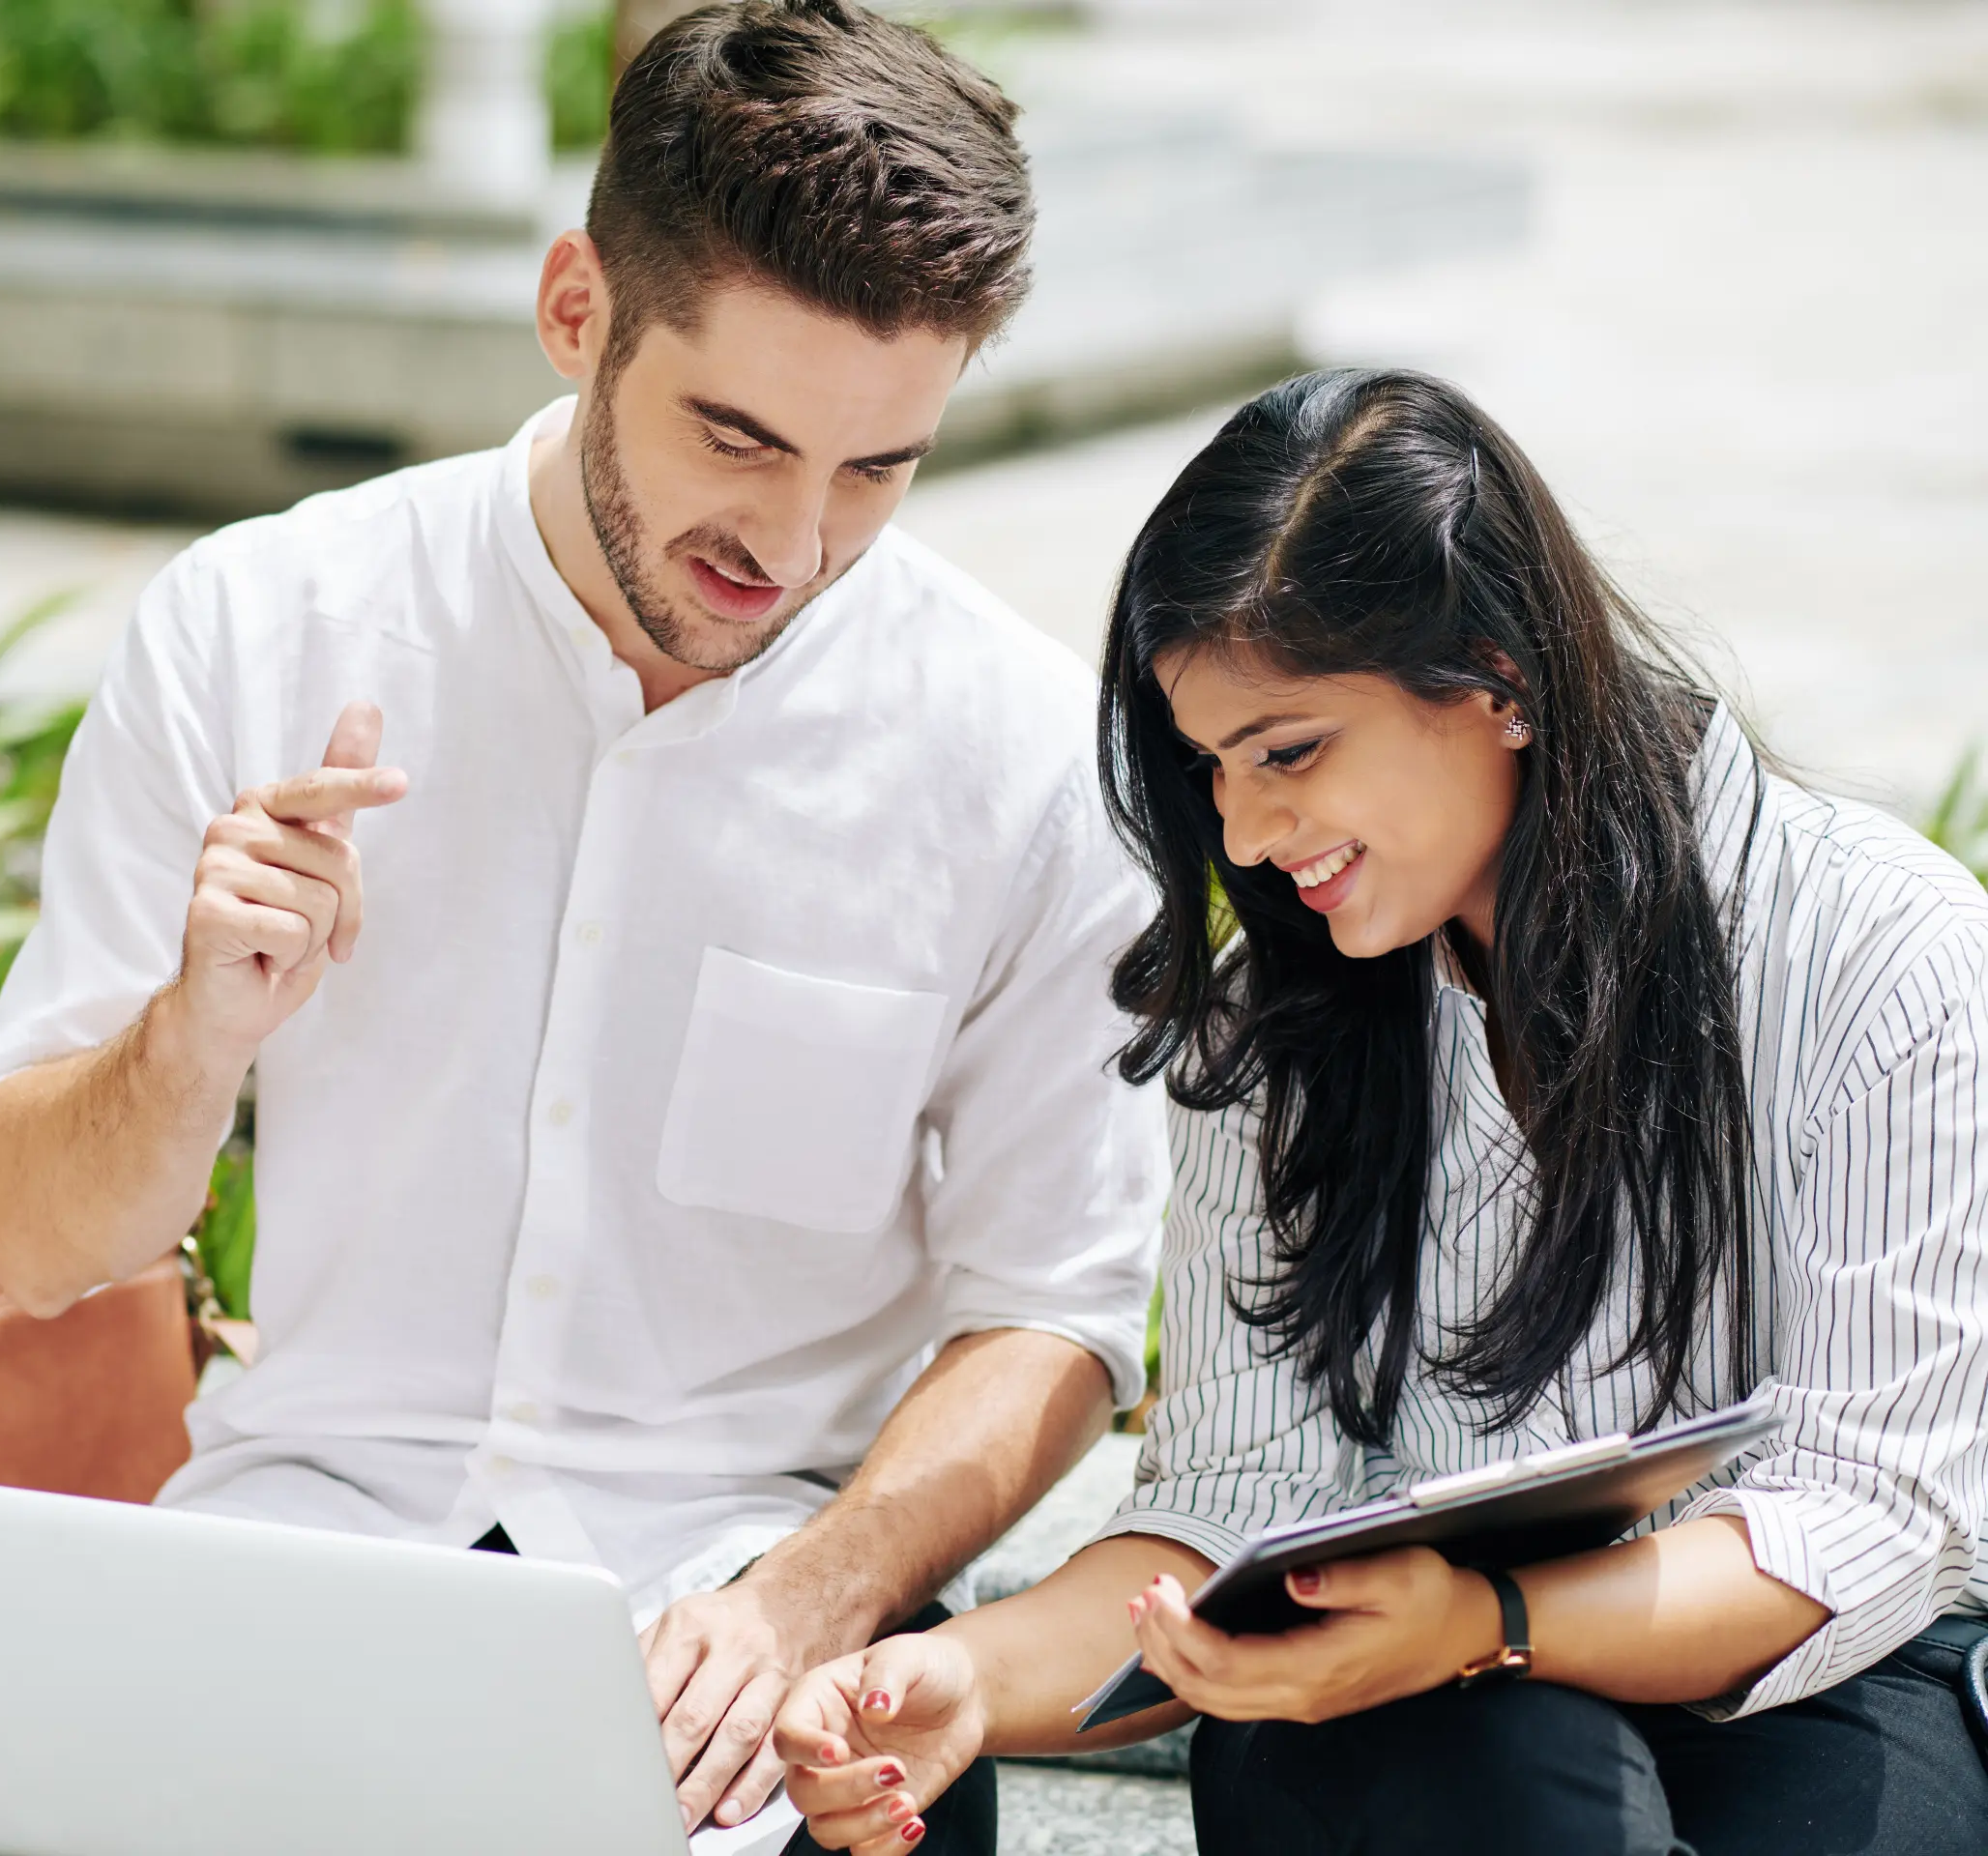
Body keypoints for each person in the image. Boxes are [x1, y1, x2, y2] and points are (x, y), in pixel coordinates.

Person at [0, 6, 1170, 1852]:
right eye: (738, 436)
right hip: (290, 1557)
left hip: (737, 1612)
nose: (794, 545)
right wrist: (191, 1038)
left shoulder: (1027, 762)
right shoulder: (256, 624)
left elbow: (1052, 1309)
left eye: (878, 469)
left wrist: (822, 1588)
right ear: (577, 311)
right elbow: (30, 1239)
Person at [773, 367, 1988, 1856]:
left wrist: (1489, 1615)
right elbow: (1226, 1509)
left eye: (1289, 752)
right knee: (1488, 1775)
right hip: (1408, 1725)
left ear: (1502, 677)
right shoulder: (1274, 1023)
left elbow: (1861, 1517)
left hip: (1809, 1677)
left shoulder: (1881, 947)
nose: (1243, 833)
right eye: (1211, 767)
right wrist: (959, 1675)